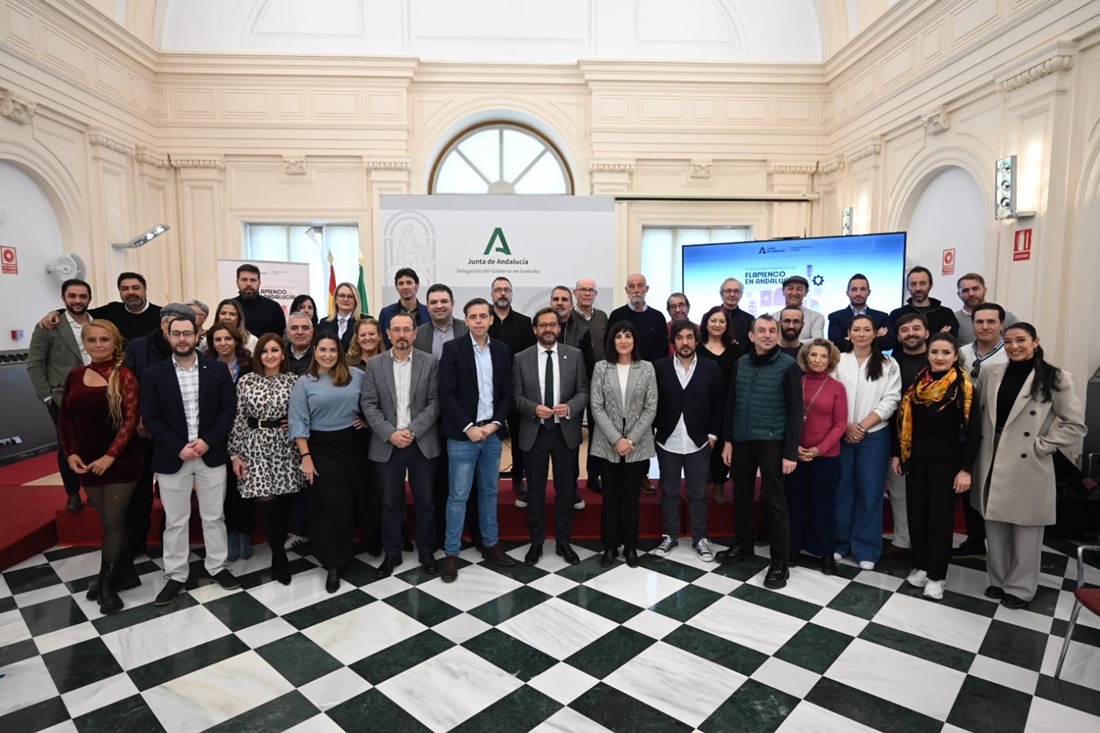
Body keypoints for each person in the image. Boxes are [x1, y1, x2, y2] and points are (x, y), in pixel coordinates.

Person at [971, 323, 1086, 609]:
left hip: (1027, 458)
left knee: (1025, 528)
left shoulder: (1056, 377)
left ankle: (1020, 587)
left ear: (1035, 342)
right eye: (1008, 341)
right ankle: (997, 580)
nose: (1014, 346)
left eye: (1021, 340)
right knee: (994, 523)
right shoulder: (991, 372)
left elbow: (1074, 425)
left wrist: (1042, 446)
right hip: (991, 453)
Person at [141, 312, 239, 607]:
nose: (182, 339)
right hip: (173, 458)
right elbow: (152, 418)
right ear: (168, 336)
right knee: (176, 521)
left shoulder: (216, 370)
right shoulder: (153, 374)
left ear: (198, 336)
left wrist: (207, 441)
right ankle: (176, 575)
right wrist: (178, 447)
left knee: (213, 516)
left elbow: (227, 410)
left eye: (187, 333)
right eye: (176, 334)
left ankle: (217, 567)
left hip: (210, 454)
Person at [58, 320, 142, 614]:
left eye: (104, 340)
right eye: (92, 340)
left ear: (114, 343)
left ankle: (106, 582)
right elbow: (66, 418)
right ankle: (126, 573)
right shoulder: (75, 375)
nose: (98, 345)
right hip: (86, 462)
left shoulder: (124, 375)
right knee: (108, 521)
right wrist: (70, 454)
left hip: (121, 461)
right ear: (85, 343)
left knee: (112, 521)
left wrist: (110, 456)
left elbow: (131, 421)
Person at [716, 315, 802, 590]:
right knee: (741, 497)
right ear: (751, 336)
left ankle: (780, 562)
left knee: (775, 502)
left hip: (771, 441)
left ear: (777, 335)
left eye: (771, 330)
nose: (767, 335)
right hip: (741, 440)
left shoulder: (788, 365)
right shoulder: (741, 363)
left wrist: (790, 452)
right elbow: (731, 403)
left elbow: (795, 412)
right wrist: (728, 440)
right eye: (761, 331)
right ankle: (743, 545)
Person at [893, 333, 980, 600]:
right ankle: (921, 565)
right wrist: (899, 454)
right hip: (917, 458)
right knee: (918, 514)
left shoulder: (964, 387)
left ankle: (937, 576)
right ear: (928, 354)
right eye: (934, 352)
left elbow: (974, 431)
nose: (939, 357)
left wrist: (966, 469)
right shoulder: (918, 382)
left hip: (948, 461)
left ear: (955, 356)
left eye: (945, 353)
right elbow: (904, 422)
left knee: (940, 519)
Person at [438, 298, 516, 582]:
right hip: (463, 435)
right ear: (466, 320)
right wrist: (469, 426)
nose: (479, 321)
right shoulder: (453, 349)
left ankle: (491, 545)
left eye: (484, 316)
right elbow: (445, 393)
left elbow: (507, 393)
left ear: (491, 319)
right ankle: (451, 553)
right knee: (458, 496)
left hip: (492, 434)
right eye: (474, 317)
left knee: (489, 492)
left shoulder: (502, 350)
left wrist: (496, 423)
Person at [361, 313, 441, 577]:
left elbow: (434, 403)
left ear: (415, 334)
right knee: (390, 503)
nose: (402, 335)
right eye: (397, 330)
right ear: (388, 333)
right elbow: (369, 405)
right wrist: (391, 433)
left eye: (407, 330)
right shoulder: (374, 365)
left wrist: (412, 431)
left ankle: (426, 551)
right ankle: (392, 553)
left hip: (421, 442)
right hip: (388, 444)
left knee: (426, 501)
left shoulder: (429, 363)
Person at [512, 308, 590, 566]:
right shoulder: (521, 358)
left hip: (564, 432)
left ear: (559, 327)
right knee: (534, 492)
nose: (548, 329)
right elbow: (516, 397)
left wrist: (570, 407)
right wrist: (533, 409)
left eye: (552, 324)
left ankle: (563, 542)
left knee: (565, 491)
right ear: (535, 329)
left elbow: (583, 391)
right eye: (542, 325)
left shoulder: (575, 355)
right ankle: (536, 543)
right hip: (534, 432)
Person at [289, 333, 365, 593]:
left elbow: (373, 405)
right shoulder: (304, 383)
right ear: (315, 351)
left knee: (346, 503)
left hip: (351, 445)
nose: (328, 355)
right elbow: (298, 421)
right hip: (319, 449)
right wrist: (306, 458)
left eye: (333, 350)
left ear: (340, 352)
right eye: (323, 349)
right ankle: (331, 562)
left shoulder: (357, 376)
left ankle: (344, 556)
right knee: (326, 504)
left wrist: (366, 421)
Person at [228, 333, 303, 585]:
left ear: (283, 353)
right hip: (255, 446)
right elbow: (238, 418)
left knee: (284, 501)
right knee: (266, 500)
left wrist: (291, 422)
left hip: (286, 447)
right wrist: (234, 454)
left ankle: (278, 550)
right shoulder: (246, 381)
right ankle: (279, 555)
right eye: (264, 351)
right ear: (258, 355)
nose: (269, 355)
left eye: (274, 350)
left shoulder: (295, 381)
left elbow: (303, 415)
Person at [652, 321, 724, 563]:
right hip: (667, 440)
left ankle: (700, 537)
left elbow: (719, 405)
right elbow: (651, 403)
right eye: (680, 338)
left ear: (697, 340)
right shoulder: (659, 368)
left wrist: (713, 436)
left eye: (689, 337)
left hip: (699, 441)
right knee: (669, 491)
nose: (685, 342)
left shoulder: (710, 368)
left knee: (697, 493)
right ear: (673, 342)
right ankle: (670, 535)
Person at [834, 314, 901, 571]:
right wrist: (847, 426)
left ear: (876, 334)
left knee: (870, 492)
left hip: (874, 435)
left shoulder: (888, 363)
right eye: (856, 329)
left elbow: (891, 400)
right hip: (842, 433)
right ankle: (839, 543)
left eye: (867, 330)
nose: (861, 334)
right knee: (842, 490)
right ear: (848, 334)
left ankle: (866, 548)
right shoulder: (838, 361)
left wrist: (862, 426)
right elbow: (832, 396)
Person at [589, 321, 658, 568]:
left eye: (628, 336)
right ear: (612, 341)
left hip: (636, 446)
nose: (623, 341)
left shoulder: (647, 368)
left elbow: (651, 407)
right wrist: (616, 439)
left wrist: (631, 439)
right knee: (610, 499)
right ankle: (610, 546)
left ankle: (631, 547)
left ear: (634, 340)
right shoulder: (601, 368)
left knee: (630, 499)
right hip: (608, 444)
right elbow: (596, 406)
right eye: (618, 337)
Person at [28, 278, 93, 513]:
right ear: (63, 298)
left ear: (89, 299)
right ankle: (73, 493)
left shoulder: (99, 323)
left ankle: (93, 491)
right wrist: (46, 396)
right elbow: (35, 364)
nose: (77, 300)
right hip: (62, 398)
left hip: (98, 396)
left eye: (82, 296)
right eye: (72, 296)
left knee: (95, 444)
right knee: (68, 446)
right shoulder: (50, 325)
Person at [786, 339, 847, 574]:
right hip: (796, 455)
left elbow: (841, 423)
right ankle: (793, 548)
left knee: (823, 506)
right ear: (806, 357)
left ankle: (826, 552)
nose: (818, 360)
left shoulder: (836, 387)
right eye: (813, 355)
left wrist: (819, 449)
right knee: (795, 503)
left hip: (827, 457)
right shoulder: (796, 382)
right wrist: (796, 448)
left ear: (830, 360)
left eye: (823, 356)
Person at [205, 321, 255, 562]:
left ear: (236, 340)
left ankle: (245, 533)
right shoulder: (204, 366)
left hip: (246, 435)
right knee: (222, 489)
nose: (223, 343)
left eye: (227, 338)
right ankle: (230, 535)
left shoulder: (249, 365)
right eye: (218, 339)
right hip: (216, 434)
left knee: (242, 486)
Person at [885, 313, 931, 554]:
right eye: (904, 330)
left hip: (929, 437)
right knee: (899, 491)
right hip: (896, 436)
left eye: (916, 328)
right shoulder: (893, 362)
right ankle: (903, 541)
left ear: (926, 332)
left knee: (927, 496)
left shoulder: (936, 359)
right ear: (898, 335)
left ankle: (925, 544)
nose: (910, 333)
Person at [488, 276, 536, 502]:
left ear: (512, 294)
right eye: (498, 290)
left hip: (517, 389)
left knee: (519, 436)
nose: (502, 293)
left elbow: (528, 358)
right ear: (492, 295)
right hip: (489, 390)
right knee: (491, 436)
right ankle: (489, 478)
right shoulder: (484, 320)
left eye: (506, 289)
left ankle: (518, 477)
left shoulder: (524, 322)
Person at [36, 272, 162, 344]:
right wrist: (56, 312)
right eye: (124, 289)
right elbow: (81, 310)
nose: (130, 292)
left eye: (135, 288)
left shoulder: (161, 314)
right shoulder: (112, 311)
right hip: (120, 375)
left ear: (145, 289)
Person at [697, 305, 741, 504]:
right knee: (702, 445)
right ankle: (698, 484)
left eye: (721, 321)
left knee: (724, 444)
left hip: (727, 404)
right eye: (713, 320)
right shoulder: (697, 348)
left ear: (727, 325)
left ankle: (719, 485)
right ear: (706, 323)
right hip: (701, 405)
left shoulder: (735, 349)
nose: (717, 324)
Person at [573, 277, 609, 493]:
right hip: (574, 383)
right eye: (583, 290)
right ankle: (571, 477)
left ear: (596, 294)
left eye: (591, 290)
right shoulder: (567, 318)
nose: (587, 293)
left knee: (597, 430)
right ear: (575, 292)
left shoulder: (603, 317)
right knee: (571, 432)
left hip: (600, 382)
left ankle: (594, 475)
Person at [608, 273, 668, 364]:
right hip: (622, 367)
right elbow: (610, 344)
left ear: (646, 289)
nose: (636, 290)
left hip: (652, 369)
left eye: (640, 286)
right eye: (632, 286)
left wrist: (649, 366)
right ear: (626, 290)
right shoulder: (616, 316)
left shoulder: (658, 317)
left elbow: (663, 346)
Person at [827, 273, 895, 353]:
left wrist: (850, 339)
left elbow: (889, 343)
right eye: (854, 289)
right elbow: (837, 344)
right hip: (845, 363)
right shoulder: (835, 317)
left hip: (874, 363)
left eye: (863, 289)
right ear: (847, 293)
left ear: (869, 292)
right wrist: (874, 337)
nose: (858, 293)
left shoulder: (882, 317)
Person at [889, 266, 959, 336]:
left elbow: (950, 342)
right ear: (908, 287)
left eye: (922, 283)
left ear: (931, 285)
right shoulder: (897, 315)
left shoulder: (946, 314)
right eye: (913, 284)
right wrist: (939, 336)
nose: (918, 288)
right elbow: (895, 343)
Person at [954, 273, 1018, 345]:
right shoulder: (953, 319)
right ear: (959, 294)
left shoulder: (1006, 317)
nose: (971, 294)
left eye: (975, 289)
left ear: (984, 290)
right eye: (965, 290)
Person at [414, 283, 469, 359]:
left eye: (444, 301)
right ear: (428, 306)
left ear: (452, 304)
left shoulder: (467, 329)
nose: (439, 306)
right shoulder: (417, 334)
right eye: (433, 302)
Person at [378, 267, 430, 347]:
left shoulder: (428, 312)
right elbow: (381, 342)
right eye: (401, 283)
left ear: (417, 286)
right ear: (396, 288)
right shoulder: (386, 313)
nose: (405, 287)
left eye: (409, 283)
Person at [960, 303, 1009, 379]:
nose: (985, 327)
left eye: (991, 322)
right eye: (979, 322)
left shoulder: (1009, 354)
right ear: (972, 324)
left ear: (1002, 325)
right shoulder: (962, 352)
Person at [235, 263, 286, 337]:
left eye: (253, 280)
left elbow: (281, 339)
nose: (248, 284)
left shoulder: (274, 307)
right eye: (244, 280)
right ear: (237, 283)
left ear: (259, 283)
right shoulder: (230, 307)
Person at [771, 275, 824, 341]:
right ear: (783, 291)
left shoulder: (816, 317)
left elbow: (817, 341)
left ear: (806, 292)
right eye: (790, 288)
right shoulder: (773, 317)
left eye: (799, 289)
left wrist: (790, 344)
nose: (794, 293)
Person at [317, 281, 361, 351]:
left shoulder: (363, 321)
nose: (346, 299)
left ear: (356, 300)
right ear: (335, 300)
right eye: (342, 296)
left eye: (350, 296)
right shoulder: (324, 323)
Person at [719, 277, 754, 350]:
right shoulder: (712, 317)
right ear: (721, 294)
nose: (732, 294)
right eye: (728, 291)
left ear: (741, 295)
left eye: (736, 291)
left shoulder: (749, 319)